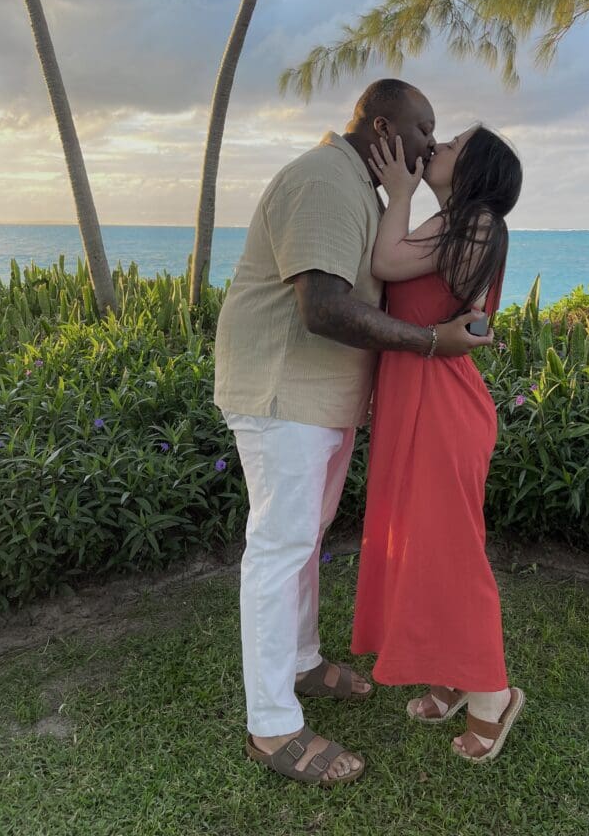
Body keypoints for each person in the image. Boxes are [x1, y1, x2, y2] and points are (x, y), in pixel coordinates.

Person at [213, 80, 493, 786]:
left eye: (437, 133)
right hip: (285, 395)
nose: (431, 141)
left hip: (318, 401)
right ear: (378, 124)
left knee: (303, 538)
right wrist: (432, 343)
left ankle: (302, 661)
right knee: (279, 550)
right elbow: (324, 307)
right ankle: (272, 726)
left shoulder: (357, 188)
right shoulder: (324, 180)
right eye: (422, 128)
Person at [351, 125, 524, 762]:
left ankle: (492, 696)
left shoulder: (475, 221)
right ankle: (451, 677)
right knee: (421, 545)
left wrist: (397, 189)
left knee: (451, 552)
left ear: (474, 168)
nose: (438, 146)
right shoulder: (454, 220)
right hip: (415, 398)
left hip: (443, 403)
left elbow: (386, 261)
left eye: (452, 143)